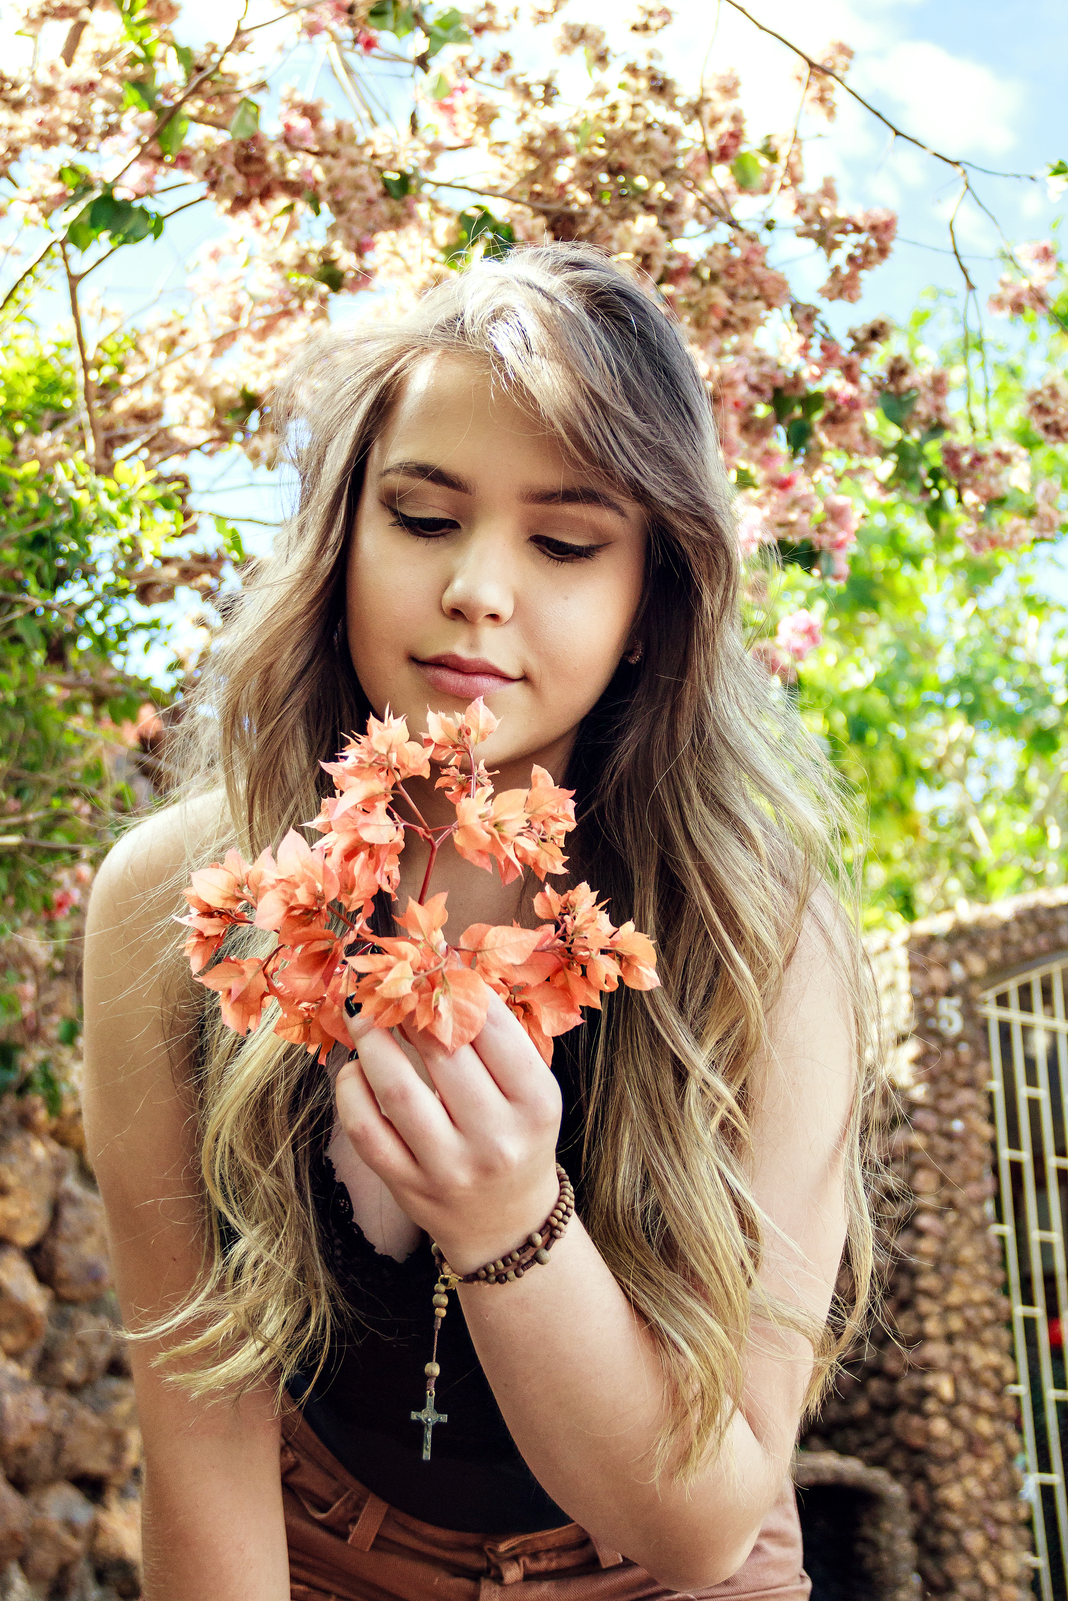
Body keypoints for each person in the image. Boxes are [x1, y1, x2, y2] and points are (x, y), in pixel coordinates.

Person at [82, 244, 878, 1601]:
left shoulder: (763, 944)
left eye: (564, 543)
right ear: (344, 540)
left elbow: (704, 1528)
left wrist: (511, 1222)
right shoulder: (183, 900)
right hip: (319, 1543)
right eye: (423, 516)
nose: (479, 590)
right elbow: (199, 1422)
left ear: (650, 603)